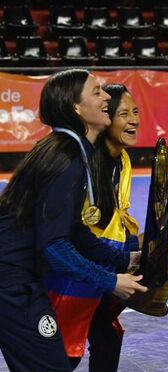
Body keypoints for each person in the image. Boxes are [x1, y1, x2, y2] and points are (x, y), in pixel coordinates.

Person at [0, 69, 146, 371]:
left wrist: (122, 258)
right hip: (10, 282)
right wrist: (110, 280)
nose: (106, 96)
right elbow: (54, 245)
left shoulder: (69, 149)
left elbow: (76, 230)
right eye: (96, 92)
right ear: (75, 108)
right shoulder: (67, 158)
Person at [86, 84, 141, 371]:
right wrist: (123, 258)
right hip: (74, 269)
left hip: (106, 264)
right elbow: (77, 233)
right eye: (124, 113)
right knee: (61, 352)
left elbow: (122, 216)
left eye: (136, 112)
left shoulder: (123, 159)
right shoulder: (83, 164)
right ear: (106, 118)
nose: (133, 120)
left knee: (108, 337)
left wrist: (135, 250)